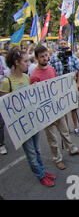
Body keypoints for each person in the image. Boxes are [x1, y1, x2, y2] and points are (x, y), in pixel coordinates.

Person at [1, 47, 56, 187]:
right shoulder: (7, 81)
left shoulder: (27, 77)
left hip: (32, 120)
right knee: (31, 152)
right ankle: (40, 175)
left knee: (37, 149)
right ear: (16, 62)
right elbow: (6, 107)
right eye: (25, 61)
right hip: (21, 124)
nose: (28, 63)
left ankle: (42, 171)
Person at [31, 45, 79, 171]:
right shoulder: (34, 75)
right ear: (36, 58)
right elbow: (37, 97)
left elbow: (56, 86)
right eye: (42, 57)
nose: (45, 58)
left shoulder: (51, 69)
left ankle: (72, 149)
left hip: (57, 106)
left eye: (46, 55)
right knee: (52, 138)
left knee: (64, 130)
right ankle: (57, 158)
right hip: (46, 110)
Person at [49, 39, 79, 135]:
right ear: (58, 46)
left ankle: (75, 127)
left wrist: (78, 83)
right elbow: (50, 70)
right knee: (64, 109)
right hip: (60, 87)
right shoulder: (54, 57)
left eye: (64, 43)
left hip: (71, 86)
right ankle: (66, 128)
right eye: (61, 44)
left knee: (73, 109)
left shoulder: (72, 57)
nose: (63, 45)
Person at [0, 50, 10, 155]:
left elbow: (7, 71)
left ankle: (1, 144)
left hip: (2, 89)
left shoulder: (2, 59)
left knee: (1, 120)